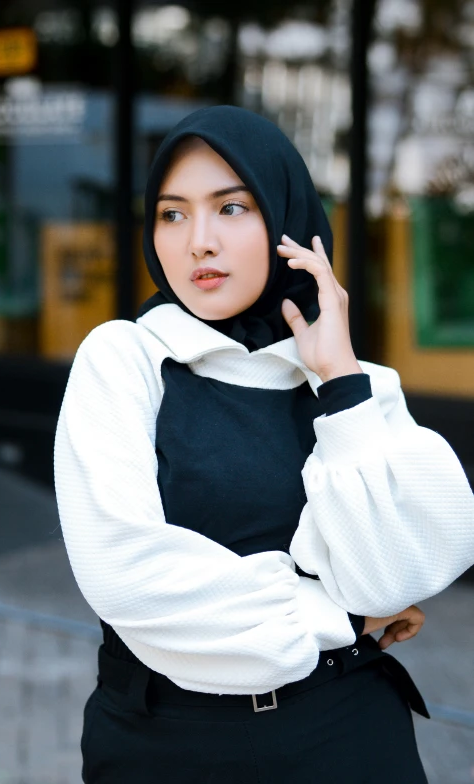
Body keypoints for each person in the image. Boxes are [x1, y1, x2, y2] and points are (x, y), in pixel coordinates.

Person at [53, 106, 474, 784]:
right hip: (163, 745)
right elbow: (127, 575)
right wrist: (341, 613)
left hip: (346, 737)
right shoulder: (124, 358)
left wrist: (338, 383)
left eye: (231, 208)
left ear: (284, 220)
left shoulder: (356, 385)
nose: (198, 242)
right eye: (172, 213)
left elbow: (406, 566)